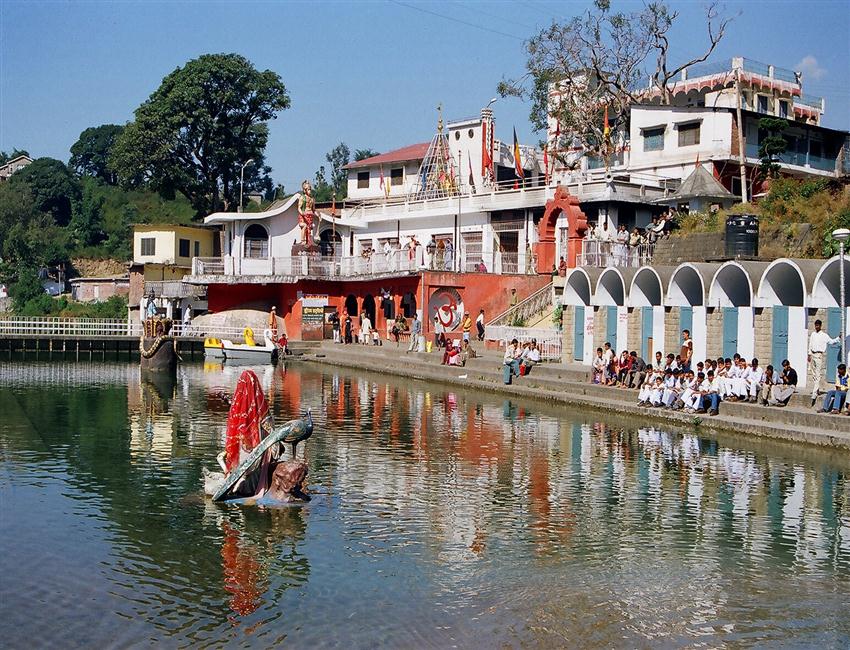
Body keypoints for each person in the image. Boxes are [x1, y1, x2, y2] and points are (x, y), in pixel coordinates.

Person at [808, 319, 840, 406]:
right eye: (816, 325)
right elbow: (810, 344)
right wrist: (809, 354)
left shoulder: (824, 335)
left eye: (818, 325)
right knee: (813, 373)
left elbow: (831, 341)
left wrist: (838, 338)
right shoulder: (813, 334)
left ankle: (814, 393)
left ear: (820, 326)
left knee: (818, 374)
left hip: (819, 355)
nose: (817, 326)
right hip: (813, 354)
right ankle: (817, 389)